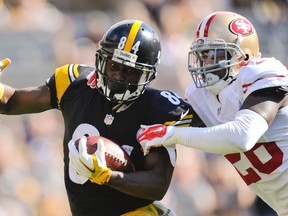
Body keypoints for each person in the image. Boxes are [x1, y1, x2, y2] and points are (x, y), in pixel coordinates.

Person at [0, 19, 193, 215]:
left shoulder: (158, 107)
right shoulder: (74, 83)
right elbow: (11, 102)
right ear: (100, 60)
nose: (119, 76)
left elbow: (158, 184)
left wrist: (108, 176)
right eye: (114, 66)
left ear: (147, 75)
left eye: (130, 71)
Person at [137, 11, 288, 216]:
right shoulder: (201, 96)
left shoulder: (261, 73)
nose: (206, 65)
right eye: (202, 56)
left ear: (242, 56)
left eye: (214, 55)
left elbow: (242, 136)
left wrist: (174, 134)